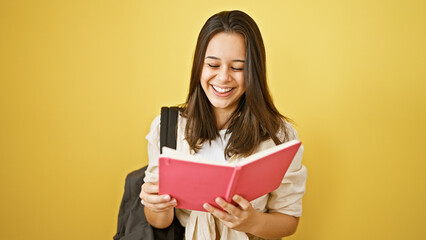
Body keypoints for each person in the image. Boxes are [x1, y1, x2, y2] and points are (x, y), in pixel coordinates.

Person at [139, 10, 307, 240]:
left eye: (237, 68)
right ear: (199, 65)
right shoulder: (168, 127)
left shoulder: (280, 136)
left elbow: (288, 221)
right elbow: (160, 222)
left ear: (254, 72)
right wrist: (156, 205)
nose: (223, 78)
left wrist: (252, 221)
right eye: (213, 65)